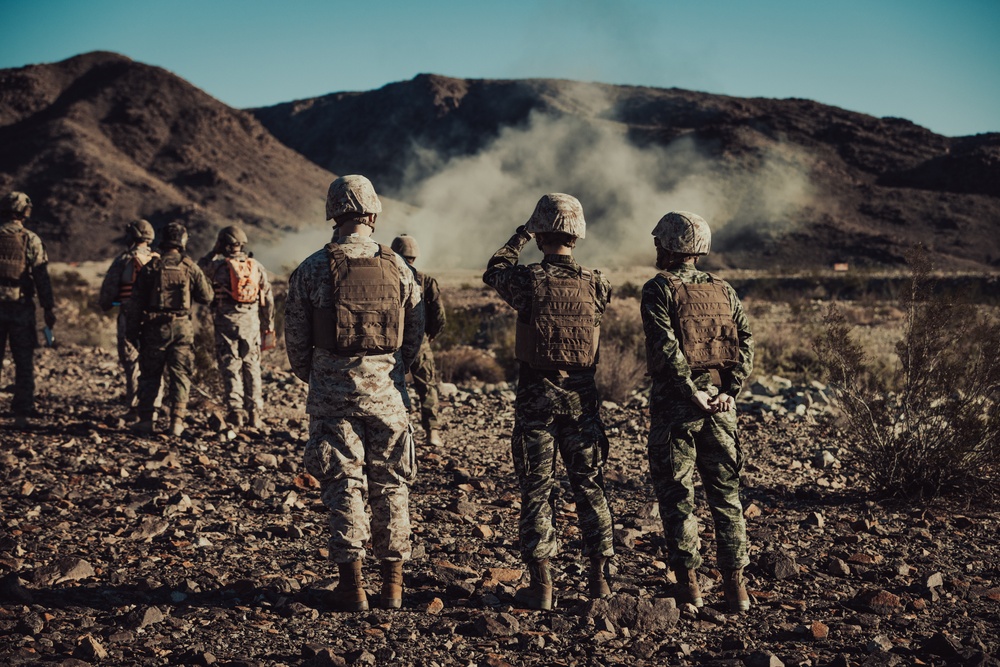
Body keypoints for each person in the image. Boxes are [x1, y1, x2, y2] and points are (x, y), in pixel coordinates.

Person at [285, 175, 424, 612]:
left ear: (333, 214)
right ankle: (394, 587)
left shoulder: (311, 268)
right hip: (388, 396)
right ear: (372, 213)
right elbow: (414, 337)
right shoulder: (400, 267)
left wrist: (322, 376)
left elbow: (296, 341)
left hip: (333, 395)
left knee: (344, 483)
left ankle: (352, 587)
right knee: (392, 484)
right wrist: (393, 374)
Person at [483, 193, 615, 610]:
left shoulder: (527, 281)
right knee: (590, 487)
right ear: (578, 234)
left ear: (540, 234)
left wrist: (520, 234)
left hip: (536, 405)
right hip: (582, 406)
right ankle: (600, 582)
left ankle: (542, 587)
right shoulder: (598, 283)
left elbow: (495, 270)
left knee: (537, 491)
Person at [640, 211, 754, 613]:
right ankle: (736, 591)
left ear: (671, 247)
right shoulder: (725, 290)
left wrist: (691, 392)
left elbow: (666, 348)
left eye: (660, 242)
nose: (655, 247)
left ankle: (689, 588)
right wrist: (730, 392)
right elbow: (746, 342)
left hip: (678, 409)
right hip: (721, 410)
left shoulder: (659, 288)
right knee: (727, 499)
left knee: (678, 499)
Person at [127, 222, 213, 437]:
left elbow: (135, 303)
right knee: (180, 375)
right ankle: (177, 422)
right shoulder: (190, 267)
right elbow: (207, 297)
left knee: (150, 375)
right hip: (182, 327)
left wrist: (132, 332)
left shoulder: (151, 267)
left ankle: (146, 421)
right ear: (183, 241)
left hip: (154, 328)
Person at [198, 225, 275, 429]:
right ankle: (255, 414)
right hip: (251, 324)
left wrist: (214, 251)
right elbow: (268, 298)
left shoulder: (218, 267)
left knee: (231, 366)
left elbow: (200, 266)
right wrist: (268, 325)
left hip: (226, 323)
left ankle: (236, 412)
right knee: (252, 367)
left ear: (223, 244)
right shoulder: (256, 266)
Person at [0, 192, 56, 429]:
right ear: (24, 212)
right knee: (23, 360)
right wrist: (48, 308)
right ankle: (22, 411)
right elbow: (41, 277)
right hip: (21, 307)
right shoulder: (30, 239)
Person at [98, 219, 160, 414]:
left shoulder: (124, 259)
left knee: (132, 360)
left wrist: (106, 304)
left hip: (129, 314)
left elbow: (109, 289)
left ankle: (134, 405)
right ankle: (154, 405)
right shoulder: (159, 259)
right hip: (155, 317)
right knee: (154, 361)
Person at [390, 234, 446, 447]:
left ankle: (397, 432)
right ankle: (432, 432)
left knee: (392, 386)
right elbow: (439, 315)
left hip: (393, 342)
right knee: (427, 387)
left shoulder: (389, 278)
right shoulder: (426, 280)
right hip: (420, 341)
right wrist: (429, 335)